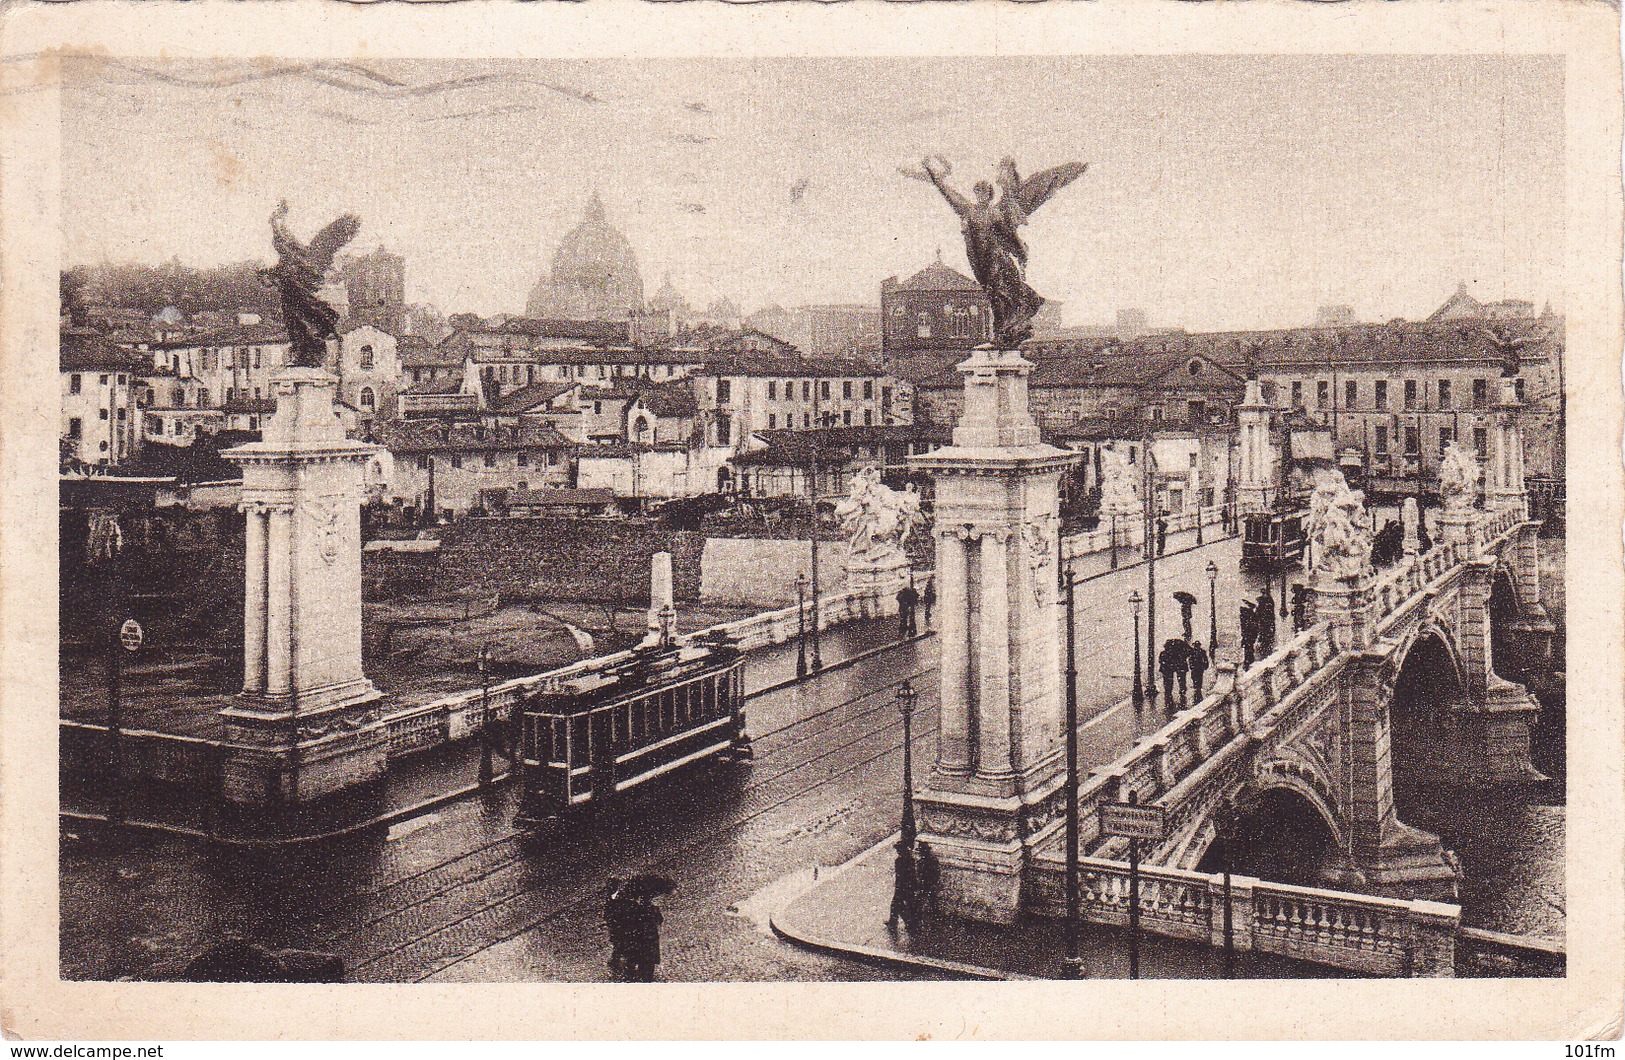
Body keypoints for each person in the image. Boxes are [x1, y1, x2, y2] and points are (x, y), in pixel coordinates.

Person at [626, 894, 662, 982]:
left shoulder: (636, 910)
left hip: (640, 938)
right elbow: (660, 920)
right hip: (651, 938)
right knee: (650, 960)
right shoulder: (654, 909)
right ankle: (647, 977)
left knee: (641, 957)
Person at [888, 841, 918, 934]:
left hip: (901, 886)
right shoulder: (911, 859)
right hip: (910, 886)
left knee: (896, 905)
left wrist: (898, 887)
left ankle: (903, 924)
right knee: (909, 904)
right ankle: (907, 924)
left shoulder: (899, 861)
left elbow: (899, 876)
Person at [604, 879, 629, 980]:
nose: (608, 889)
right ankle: (616, 960)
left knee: (620, 942)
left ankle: (617, 961)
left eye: (610, 887)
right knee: (617, 942)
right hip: (615, 926)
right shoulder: (610, 897)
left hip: (621, 925)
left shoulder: (621, 896)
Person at [914, 842, 942, 922]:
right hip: (927, 883)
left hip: (927, 883)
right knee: (931, 900)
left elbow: (936, 872)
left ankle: (917, 919)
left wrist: (934, 882)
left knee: (921, 901)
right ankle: (936, 916)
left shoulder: (929, 860)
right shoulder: (926, 860)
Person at [1158, 638, 1185, 707]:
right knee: (1175, 681)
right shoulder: (1174, 653)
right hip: (1169, 669)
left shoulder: (1164, 653)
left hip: (1167, 670)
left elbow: (1160, 661)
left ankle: (1169, 693)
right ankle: (1180, 691)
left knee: (1168, 682)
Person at [1255, 590, 1277, 654]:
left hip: (1265, 621)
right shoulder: (1269, 602)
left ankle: (1265, 646)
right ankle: (1265, 645)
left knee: (1264, 632)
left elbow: (1259, 613)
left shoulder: (1266, 603)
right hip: (1266, 620)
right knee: (1265, 632)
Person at [1240, 601, 1257, 669]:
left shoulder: (1246, 617)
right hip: (1249, 636)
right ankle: (1249, 660)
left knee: (1248, 648)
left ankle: (1248, 661)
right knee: (1248, 648)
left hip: (1248, 636)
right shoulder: (1251, 615)